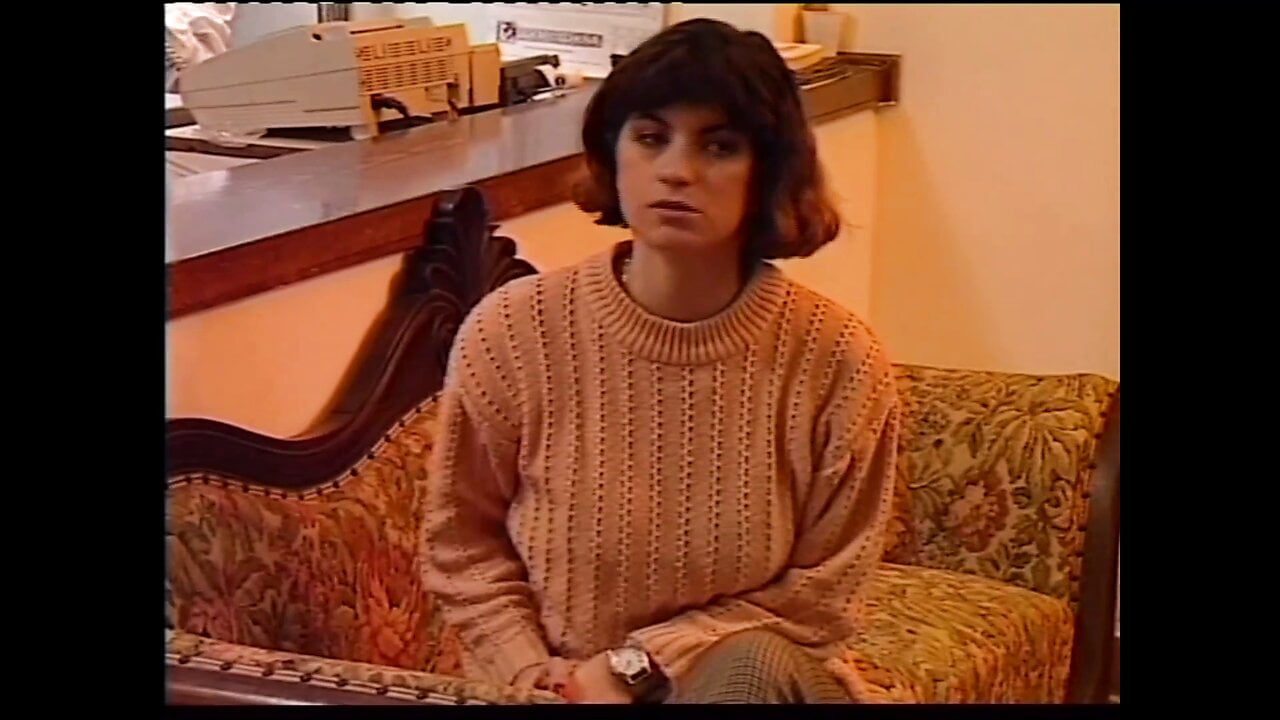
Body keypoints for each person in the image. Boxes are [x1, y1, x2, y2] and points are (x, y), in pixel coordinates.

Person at [422, 18, 900, 704]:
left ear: (768, 173)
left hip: (755, 690)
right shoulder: (513, 332)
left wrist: (635, 667)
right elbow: (461, 547)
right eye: (651, 138)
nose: (677, 170)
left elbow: (821, 601)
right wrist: (529, 669)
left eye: (720, 146)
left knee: (748, 669)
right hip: (556, 692)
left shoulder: (836, 361)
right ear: (612, 156)